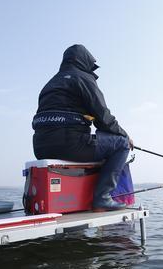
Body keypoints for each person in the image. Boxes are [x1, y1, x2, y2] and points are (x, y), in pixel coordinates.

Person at [32, 44, 134, 211]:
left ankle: (81, 195)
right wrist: (125, 135)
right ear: (84, 61)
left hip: (41, 148)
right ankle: (102, 198)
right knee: (121, 143)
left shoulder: (50, 84)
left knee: (102, 142)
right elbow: (103, 118)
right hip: (70, 145)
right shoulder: (83, 78)